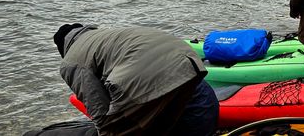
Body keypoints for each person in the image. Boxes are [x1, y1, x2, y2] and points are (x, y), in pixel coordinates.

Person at [52, 24, 218, 136]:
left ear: (64, 49)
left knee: (115, 130)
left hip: (142, 76)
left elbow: (100, 111)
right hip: (190, 61)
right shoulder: (106, 35)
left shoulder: (71, 60)